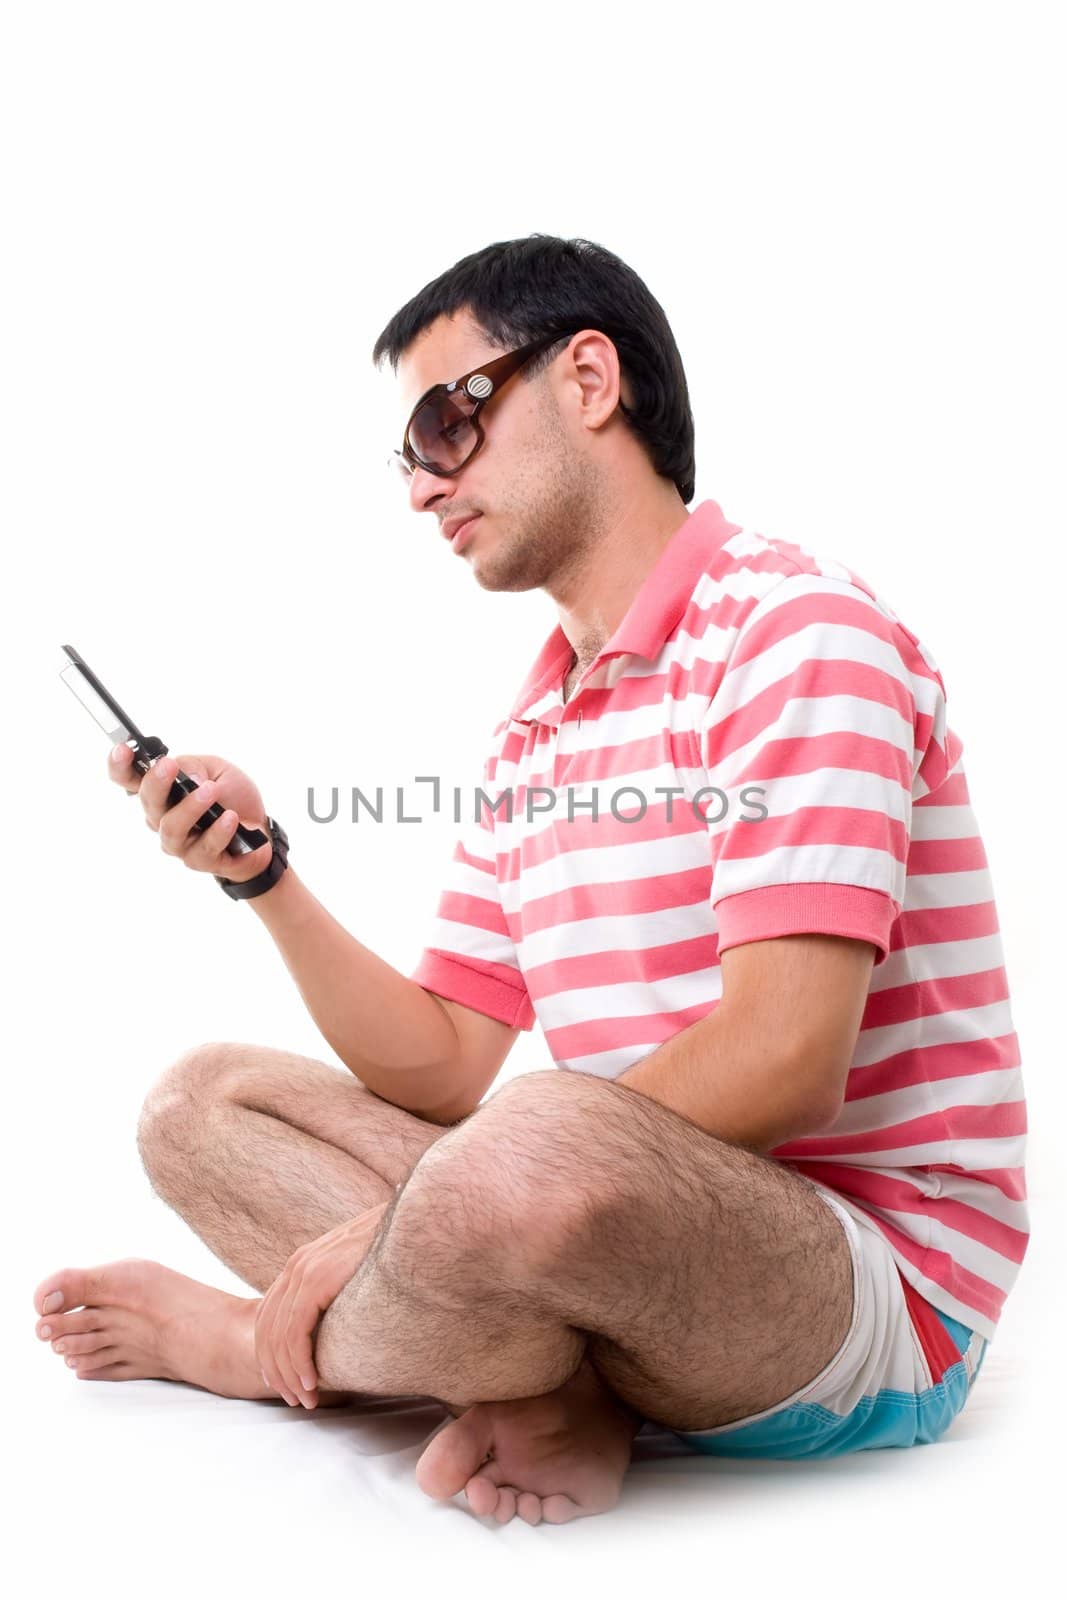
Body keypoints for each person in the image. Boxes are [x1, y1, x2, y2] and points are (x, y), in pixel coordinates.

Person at [33, 234, 1029, 1526]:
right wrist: (265, 879)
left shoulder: (795, 629)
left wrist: (416, 1224)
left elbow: (787, 1059)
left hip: (868, 1292)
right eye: (405, 456)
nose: (421, 488)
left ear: (589, 379)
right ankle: (555, 1390)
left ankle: (260, 1351)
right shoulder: (537, 728)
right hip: (606, 1227)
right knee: (204, 1102)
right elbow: (445, 1064)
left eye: (449, 424)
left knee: (536, 1136)